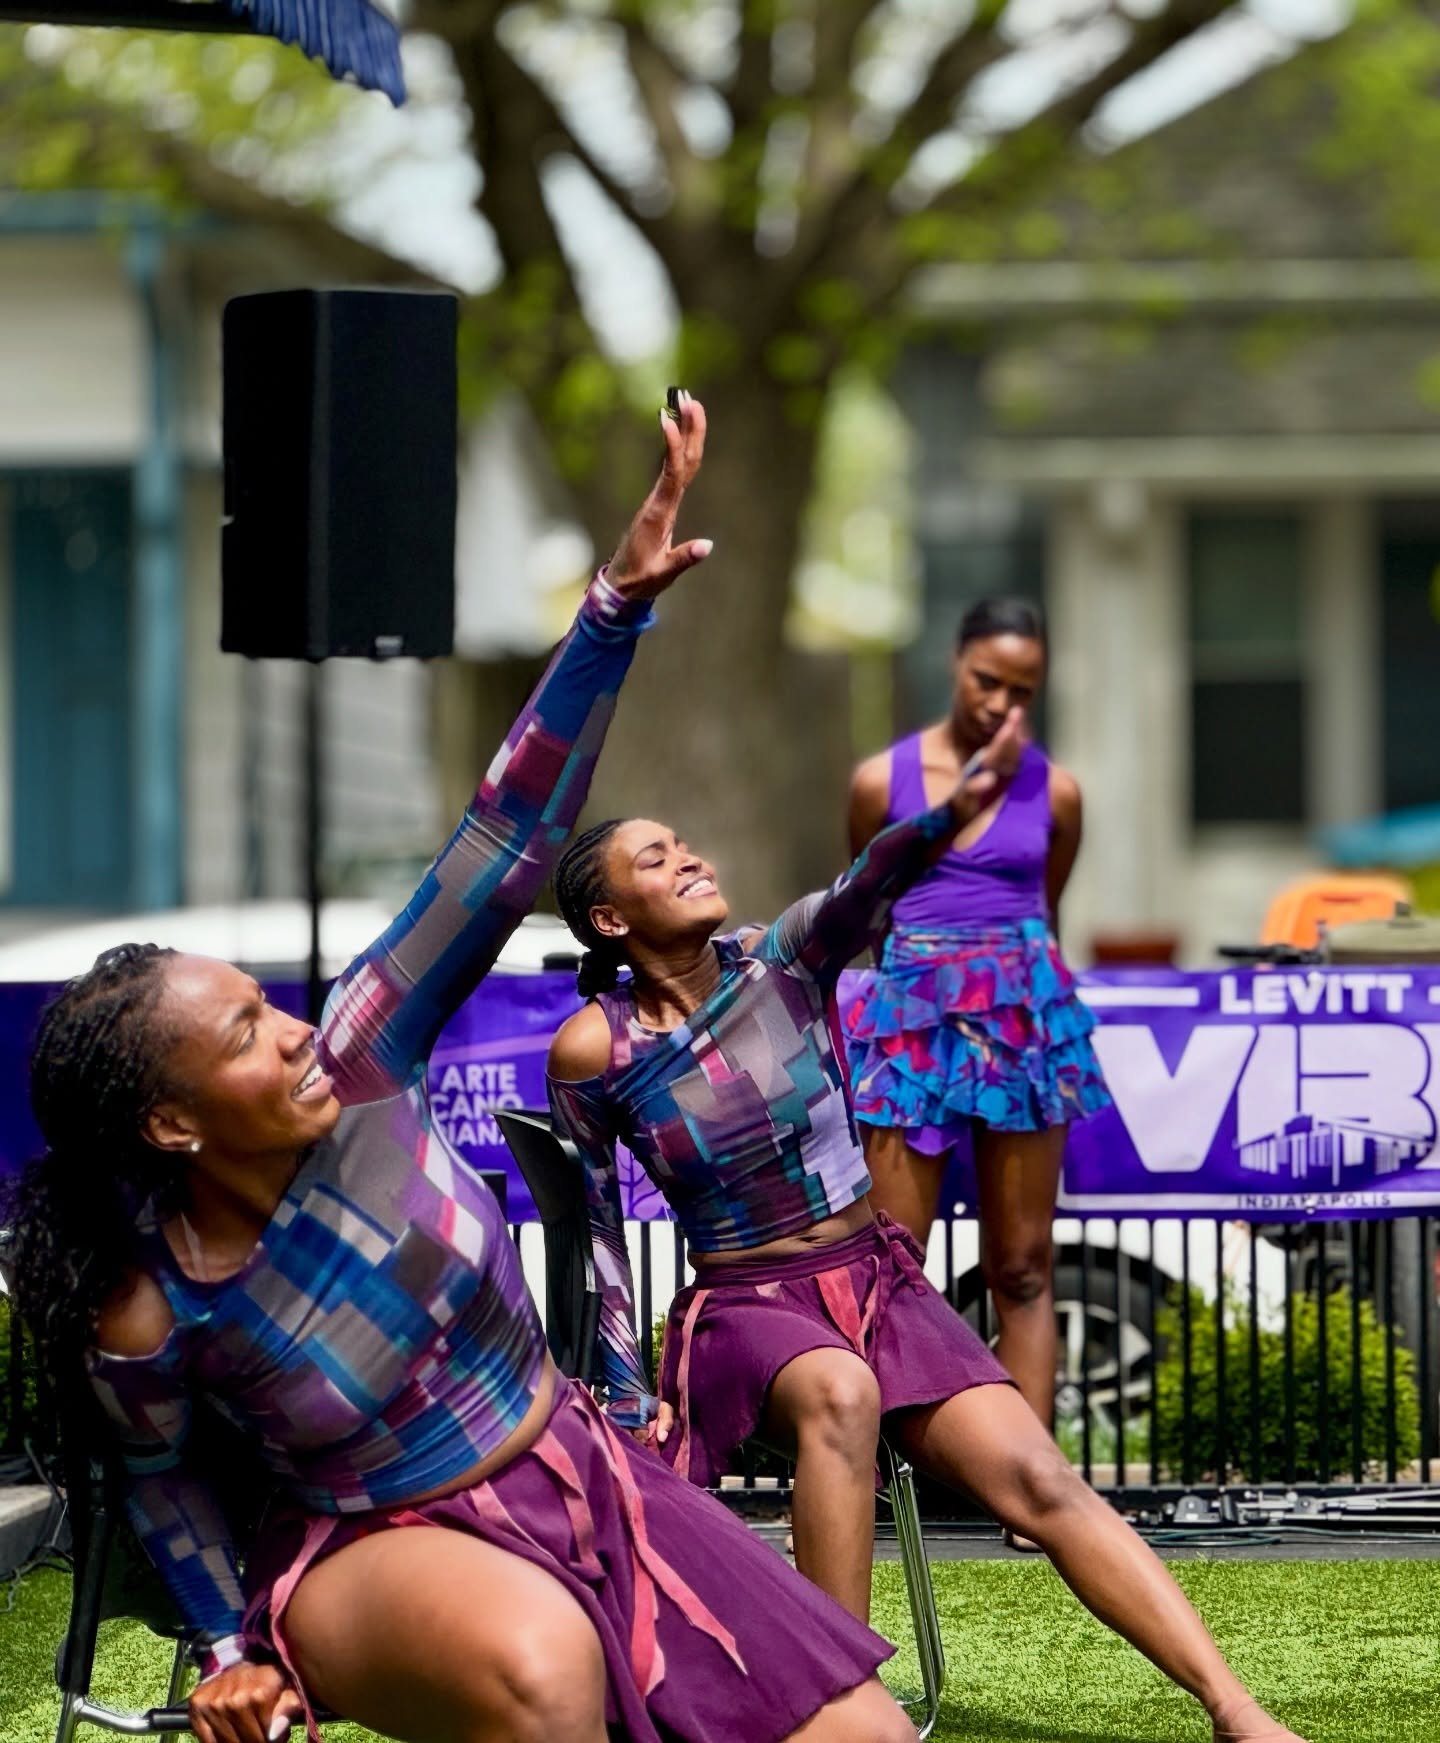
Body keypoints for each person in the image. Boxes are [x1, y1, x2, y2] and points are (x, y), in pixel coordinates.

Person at [3, 396, 915, 1743]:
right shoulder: (150, 1302)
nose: (292, 1030)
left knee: (866, 1737)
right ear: (171, 1122)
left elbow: (506, 834)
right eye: (244, 1033)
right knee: (546, 1673)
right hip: (375, 1539)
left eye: (268, 1005)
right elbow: (164, 1486)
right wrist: (228, 1647)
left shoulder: (366, 1051)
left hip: (581, 1470)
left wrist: (612, 611)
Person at [545, 745, 1308, 1743]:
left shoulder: (783, 962)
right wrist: (624, 1393)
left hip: (878, 1283)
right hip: (747, 1310)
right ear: (610, 919)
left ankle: (1237, 1712)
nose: (689, 858)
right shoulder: (595, 1049)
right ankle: (837, 1719)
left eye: (685, 844)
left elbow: (870, 880)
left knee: (1041, 1480)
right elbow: (594, 1230)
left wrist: (949, 813)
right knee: (840, 1393)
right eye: (656, 858)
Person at [844, 595, 1109, 1430]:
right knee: (891, 1265)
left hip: (1024, 1022)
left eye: (1022, 690)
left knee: (1023, 1267)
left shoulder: (1057, 793)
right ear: (955, 663)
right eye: (987, 680)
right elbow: (864, 906)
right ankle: (875, 1473)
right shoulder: (880, 781)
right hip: (913, 1019)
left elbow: (1048, 908)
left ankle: (1029, 1480)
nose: (1001, 703)